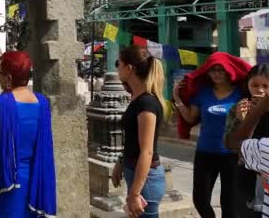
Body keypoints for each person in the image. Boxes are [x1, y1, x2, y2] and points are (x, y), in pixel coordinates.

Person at [0, 51, 56, 218]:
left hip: (4, 179)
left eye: (0, 74)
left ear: (8, 77)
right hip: (33, 179)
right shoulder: (42, 102)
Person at [173, 52, 251, 218]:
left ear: (228, 71)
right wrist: (177, 98)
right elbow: (191, 118)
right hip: (205, 153)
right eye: (212, 70)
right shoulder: (203, 93)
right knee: (200, 200)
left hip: (232, 156)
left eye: (220, 70)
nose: (216, 73)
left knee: (229, 204)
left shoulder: (241, 94)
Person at [111, 45, 167, 218]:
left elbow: (147, 151)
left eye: (118, 64)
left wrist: (134, 194)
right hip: (135, 172)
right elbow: (133, 140)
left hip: (146, 180)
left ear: (129, 68)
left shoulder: (147, 103)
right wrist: (121, 161)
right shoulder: (137, 98)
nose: (117, 69)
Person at [224, 64, 269, 217]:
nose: (260, 90)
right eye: (255, 85)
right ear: (247, 86)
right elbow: (233, 145)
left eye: (266, 85)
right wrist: (243, 120)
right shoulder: (238, 109)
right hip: (246, 176)